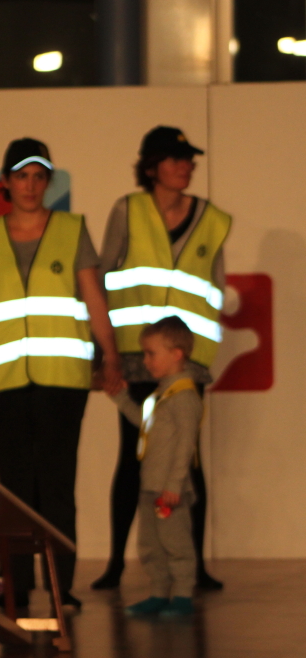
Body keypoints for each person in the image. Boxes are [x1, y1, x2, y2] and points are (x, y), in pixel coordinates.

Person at [0, 138, 124, 615]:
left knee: (55, 485)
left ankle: (60, 587)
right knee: (13, 487)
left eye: (39, 177)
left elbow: (94, 298)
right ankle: (14, 586)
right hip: (4, 378)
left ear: (48, 181)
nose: (31, 186)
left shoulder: (71, 230)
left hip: (62, 379)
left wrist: (110, 355)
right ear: (6, 182)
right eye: (22, 176)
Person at [93, 126, 230, 591]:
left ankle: (195, 565)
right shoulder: (127, 210)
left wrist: (198, 354)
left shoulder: (211, 220)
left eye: (189, 159)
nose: (185, 166)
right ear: (151, 167)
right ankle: (116, 562)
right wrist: (106, 352)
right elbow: (104, 275)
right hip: (137, 356)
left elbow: (215, 287)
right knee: (133, 458)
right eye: (174, 159)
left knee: (188, 461)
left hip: (186, 361)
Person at [108, 317, 202, 618]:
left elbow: (186, 445)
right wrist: (121, 399)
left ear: (176, 354)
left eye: (151, 354)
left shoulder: (184, 396)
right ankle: (160, 592)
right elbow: (144, 423)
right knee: (151, 544)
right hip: (151, 485)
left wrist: (174, 484)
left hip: (169, 490)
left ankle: (183, 595)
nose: (145, 361)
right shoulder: (160, 394)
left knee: (176, 543)